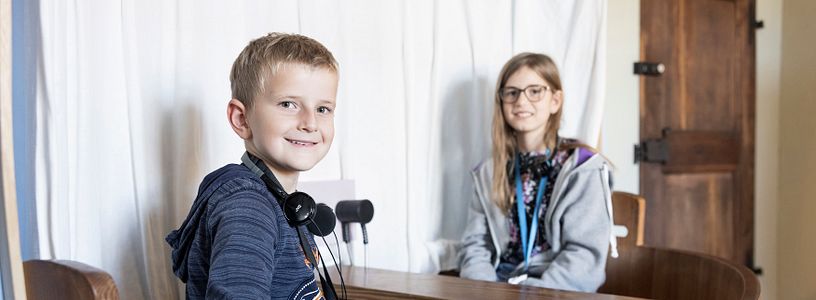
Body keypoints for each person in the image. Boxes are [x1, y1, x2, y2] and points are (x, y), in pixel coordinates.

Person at [166, 32, 339, 299]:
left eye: (323, 109)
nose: (311, 123)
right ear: (242, 120)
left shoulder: (280, 203)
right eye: (288, 104)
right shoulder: (248, 206)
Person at [458, 52, 616, 292]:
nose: (521, 102)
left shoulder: (583, 168)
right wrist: (486, 292)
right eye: (512, 93)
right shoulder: (489, 170)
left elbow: (583, 256)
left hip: (557, 290)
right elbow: (475, 246)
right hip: (498, 290)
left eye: (534, 91)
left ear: (555, 100)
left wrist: (535, 294)